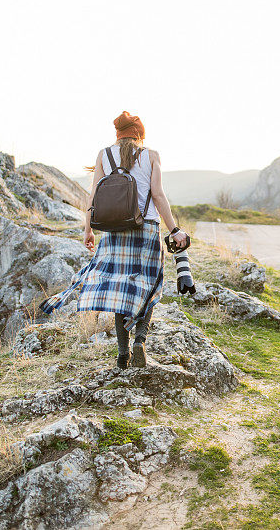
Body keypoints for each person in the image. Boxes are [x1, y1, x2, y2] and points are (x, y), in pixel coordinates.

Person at [39, 111, 187, 369]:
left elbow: (93, 196)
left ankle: (122, 353)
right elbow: (159, 196)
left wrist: (88, 230)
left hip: (113, 231)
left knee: (120, 290)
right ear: (140, 134)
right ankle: (140, 339)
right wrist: (174, 230)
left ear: (117, 134)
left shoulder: (104, 155)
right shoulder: (151, 155)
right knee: (147, 285)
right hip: (146, 228)